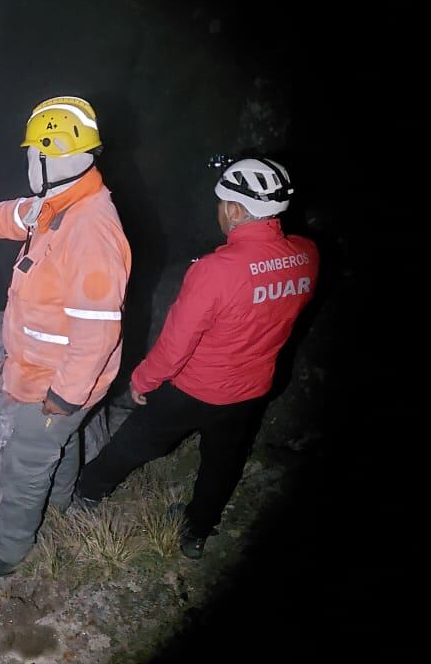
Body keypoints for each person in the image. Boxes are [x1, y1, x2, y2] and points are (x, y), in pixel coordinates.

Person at [74, 155, 321, 558]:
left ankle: (88, 491)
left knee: (138, 439)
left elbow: (176, 344)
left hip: (196, 389)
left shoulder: (215, 270)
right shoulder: (307, 255)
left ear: (236, 210)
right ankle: (196, 532)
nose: (220, 213)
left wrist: (143, 380)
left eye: (221, 205)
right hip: (252, 390)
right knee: (222, 462)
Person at [0, 95, 131, 581]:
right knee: (55, 448)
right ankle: (60, 510)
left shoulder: (91, 229)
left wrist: (64, 396)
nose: (25, 163)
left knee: (26, 462)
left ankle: (9, 549)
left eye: (29, 154)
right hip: (45, 371)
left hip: (59, 379)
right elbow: (8, 215)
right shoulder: (59, 202)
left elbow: (98, 331)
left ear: (46, 154)